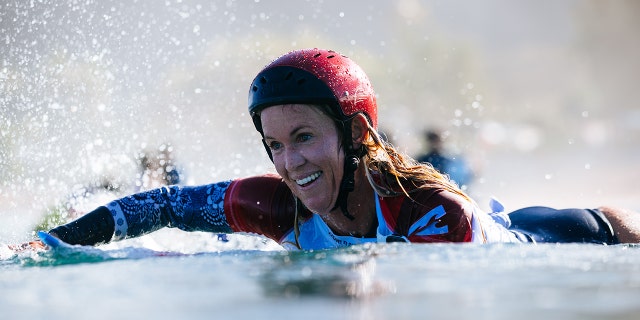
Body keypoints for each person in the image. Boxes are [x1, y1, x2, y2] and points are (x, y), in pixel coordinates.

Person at [19, 48, 640, 251]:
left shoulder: (427, 212)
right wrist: (52, 245)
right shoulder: (276, 207)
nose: (291, 163)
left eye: (306, 137)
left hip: (534, 241)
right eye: (276, 145)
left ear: (358, 135)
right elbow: (155, 207)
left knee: (615, 228)